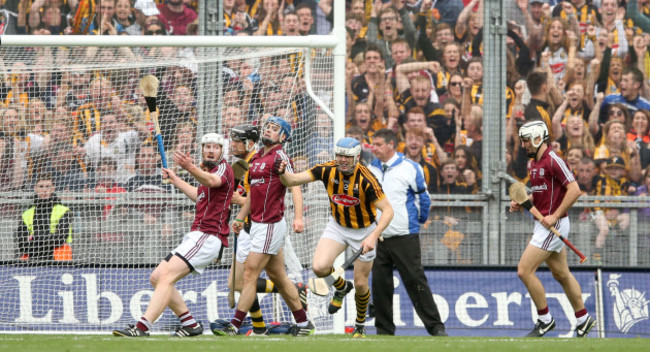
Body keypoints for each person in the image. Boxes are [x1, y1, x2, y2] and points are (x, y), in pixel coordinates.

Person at [113, 132, 234, 337]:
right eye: (207, 147)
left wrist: (190, 168)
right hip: (197, 234)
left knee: (166, 276)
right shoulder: (205, 174)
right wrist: (176, 179)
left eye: (215, 147)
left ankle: (141, 327)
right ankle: (190, 324)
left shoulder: (224, 169)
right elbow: (200, 195)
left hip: (208, 235)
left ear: (222, 151)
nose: (211, 150)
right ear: (202, 149)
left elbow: (213, 182)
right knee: (157, 277)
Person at [276, 136, 394, 338]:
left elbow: (388, 211)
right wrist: (281, 171)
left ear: (357, 157)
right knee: (319, 267)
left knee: (361, 284)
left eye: (347, 157)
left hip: (364, 230)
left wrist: (373, 236)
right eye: (339, 155)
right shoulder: (327, 169)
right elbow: (293, 180)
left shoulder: (367, 179)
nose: (342, 160)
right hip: (338, 226)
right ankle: (341, 287)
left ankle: (359, 325)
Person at [212, 117, 311, 336]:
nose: (268, 130)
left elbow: (293, 183)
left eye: (275, 129)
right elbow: (251, 196)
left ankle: (235, 324)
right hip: (254, 224)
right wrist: (239, 218)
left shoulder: (280, 158)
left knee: (249, 274)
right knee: (278, 277)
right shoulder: (256, 158)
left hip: (270, 224)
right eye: (267, 127)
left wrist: (298, 216)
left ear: (283, 137)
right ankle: (304, 324)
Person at [509, 121, 597, 338]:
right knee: (561, 273)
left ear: (538, 138)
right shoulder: (535, 164)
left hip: (553, 226)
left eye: (526, 140)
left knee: (524, 270)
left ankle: (545, 319)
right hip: (545, 224)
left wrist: (555, 215)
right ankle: (583, 318)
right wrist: (523, 201)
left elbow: (574, 190)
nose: (523, 145)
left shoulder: (553, 160)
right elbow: (540, 196)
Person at [367, 129, 446, 336]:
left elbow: (424, 198)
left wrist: (416, 224)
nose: (373, 148)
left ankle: (436, 326)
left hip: (405, 236)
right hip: (378, 237)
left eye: (377, 144)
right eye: (373, 144)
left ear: (390, 145)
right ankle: (384, 330)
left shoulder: (411, 168)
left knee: (415, 281)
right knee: (380, 284)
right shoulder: (368, 170)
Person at [15, 173, 73, 261]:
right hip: (32, 260)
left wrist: (34, 238)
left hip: (58, 260)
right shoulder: (26, 214)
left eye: (48, 186)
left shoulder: (63, 211)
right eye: (41, 187)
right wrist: (49, 238)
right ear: (35, 189)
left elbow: (61, 238)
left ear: (53, 188)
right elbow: (22, 245)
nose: (44, 190)